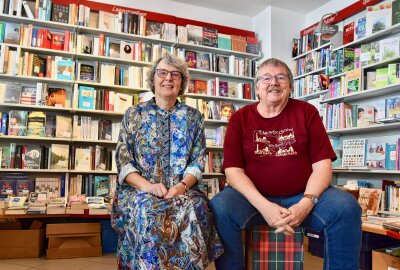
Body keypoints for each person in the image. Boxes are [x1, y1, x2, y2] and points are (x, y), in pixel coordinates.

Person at [210, 58, 362, 270]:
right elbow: (233, 171)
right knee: (220, 207)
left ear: (290, 86)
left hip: (303, 196)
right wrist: (265, 207)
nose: (274, 82)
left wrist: (306, 203)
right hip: (253, 201)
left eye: (281, 77)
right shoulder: (239, 118)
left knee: (346, 207)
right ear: (257, 88)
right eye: (266, 78)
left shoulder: (307, 112)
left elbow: (323, 166)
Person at [111, 52, 224, 269]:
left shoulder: (194, 117)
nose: (168, 78)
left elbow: (197, 161)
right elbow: (124, 161)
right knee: (148, 209)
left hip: (183, 188)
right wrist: (148, 187)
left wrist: (182, 187)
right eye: (162, 73)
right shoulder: (134, 113)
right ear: (153, 79)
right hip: (140, 190)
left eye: (175, 74)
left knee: (196, 206)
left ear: (182, 82)